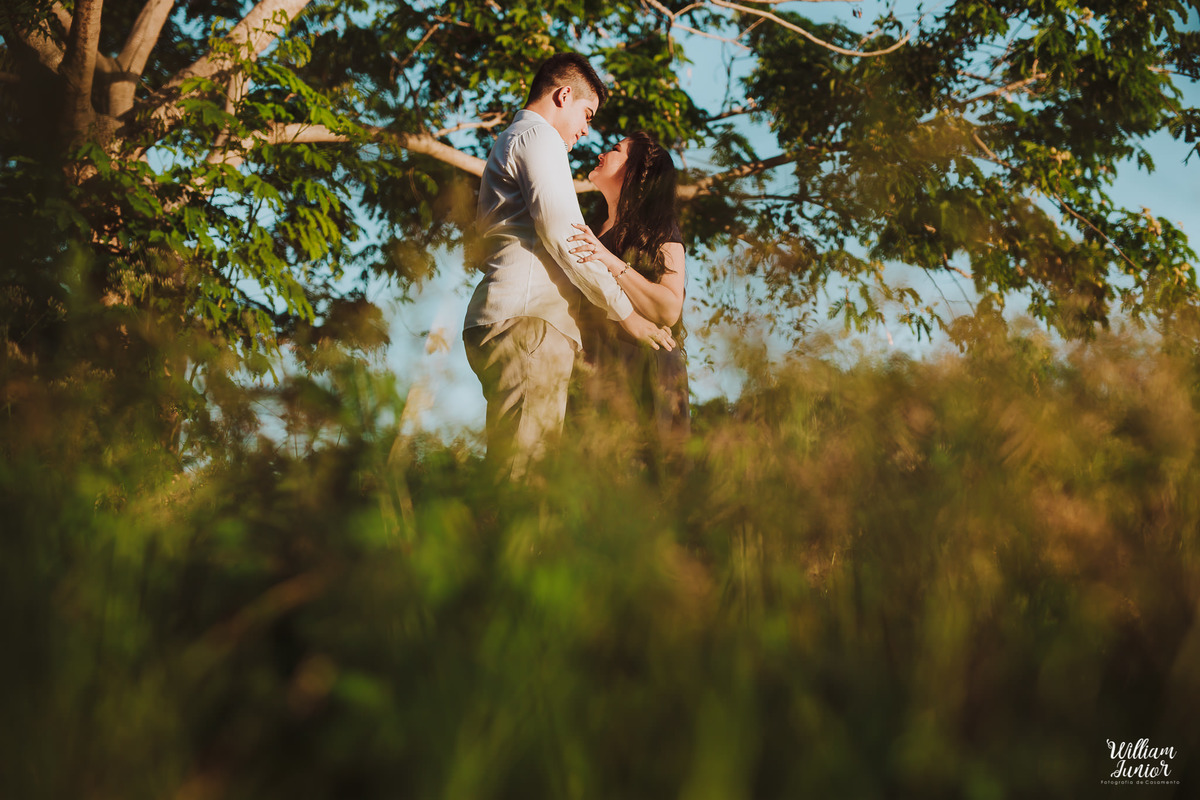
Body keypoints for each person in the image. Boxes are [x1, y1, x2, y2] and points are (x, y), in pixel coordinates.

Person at [463, 53, 675, 480]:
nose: (586, 130)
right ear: (564, 95)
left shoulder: (511, 140)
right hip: (528, 323)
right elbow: (564, 233)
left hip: (509, 317)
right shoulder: (539, 139)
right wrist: (628, 315)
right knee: (522, 479)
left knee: (518, 473)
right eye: (587, 114)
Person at [566, 131, 690, 447]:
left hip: (644, 366)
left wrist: (609, 259)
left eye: (615, 149)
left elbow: (669, 308)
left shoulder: (659, 228)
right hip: (596, 367)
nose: (601, 154)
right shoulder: (591, 228)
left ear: (634, 171)